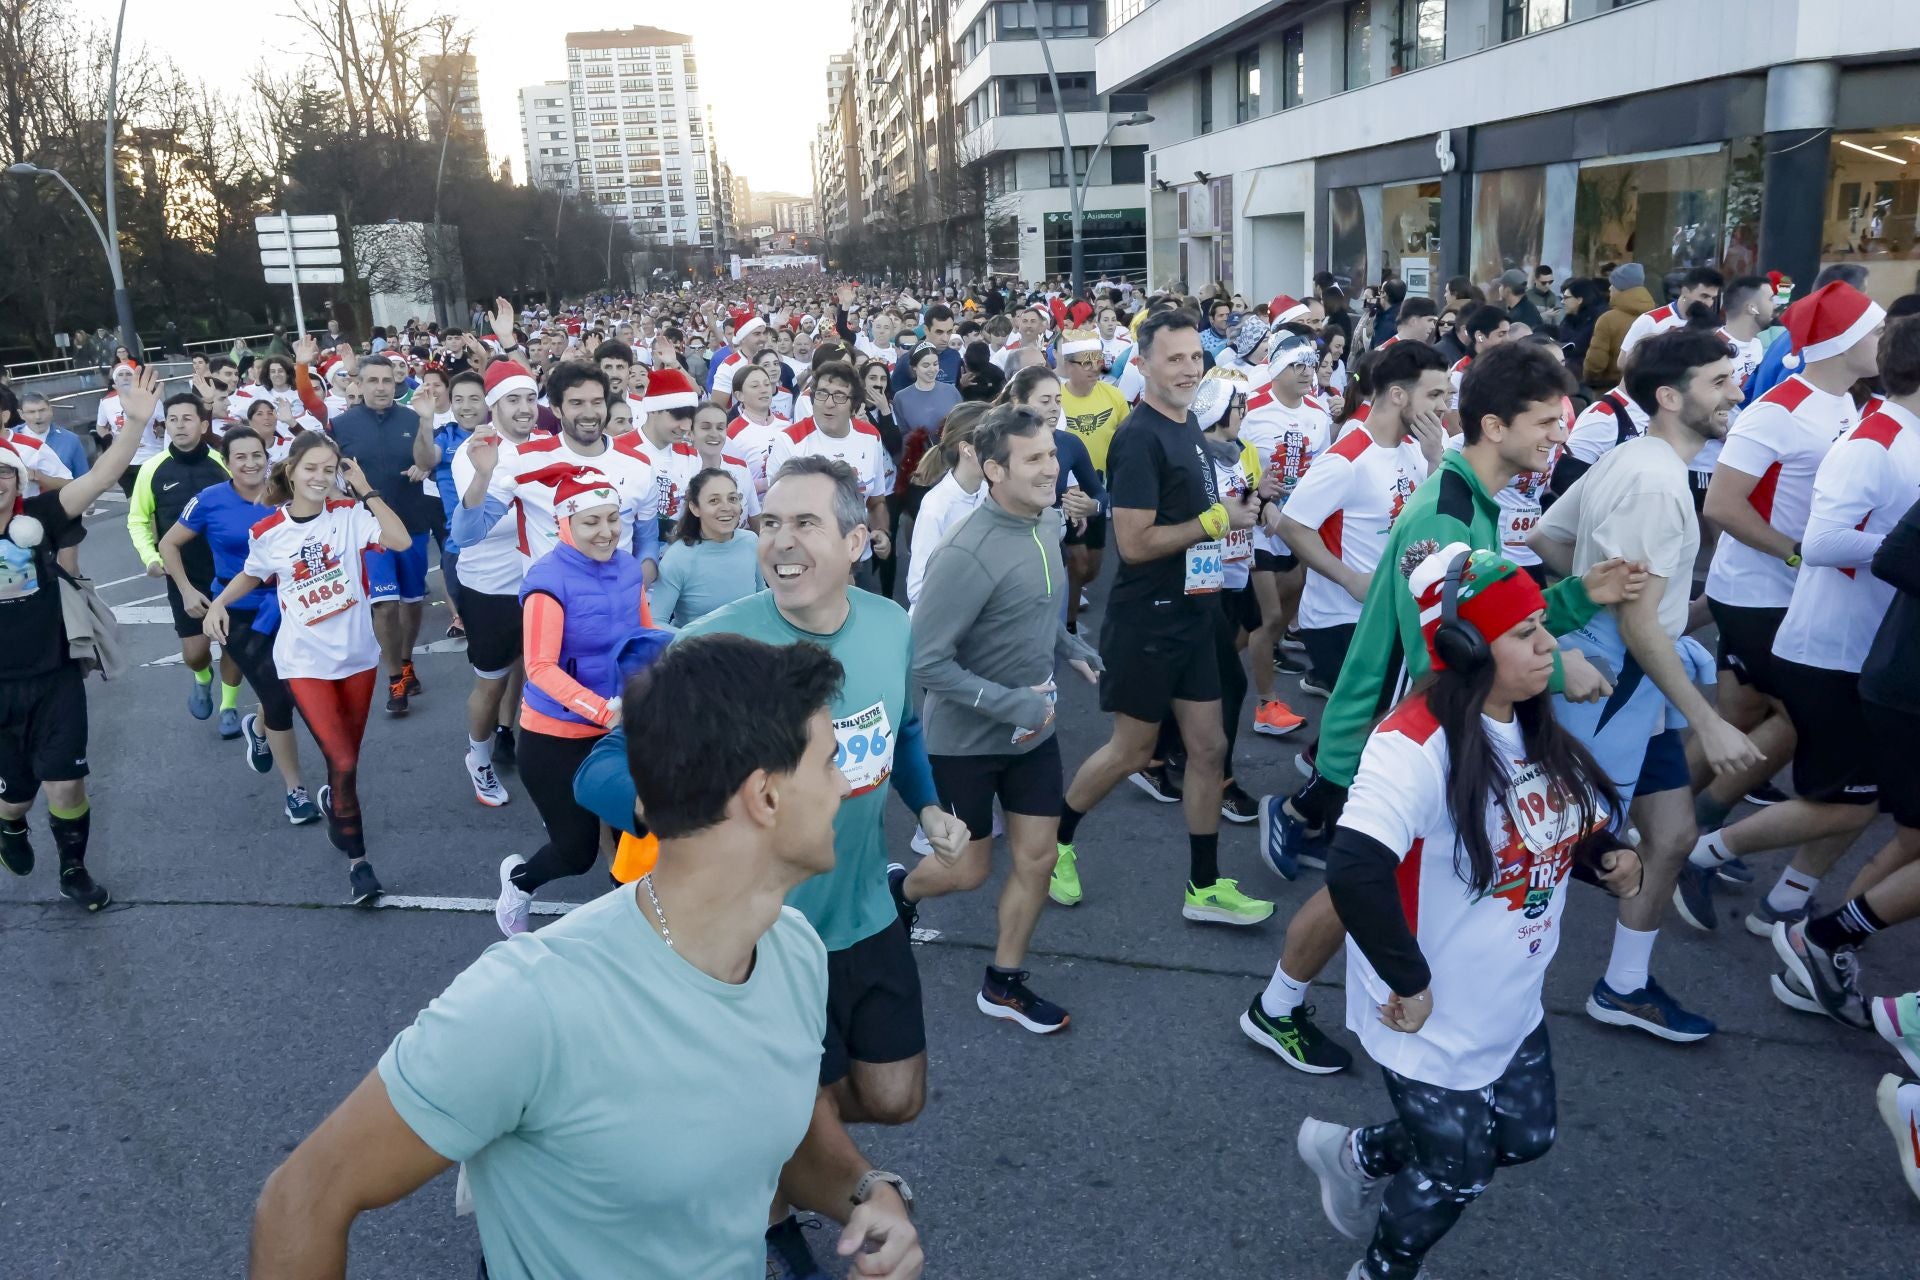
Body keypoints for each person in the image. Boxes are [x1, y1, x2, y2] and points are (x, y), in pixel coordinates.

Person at [250, 634, 924, 1280]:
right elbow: (302, 1199)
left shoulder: (793, 950)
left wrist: (865, 1192)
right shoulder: (533, 1005)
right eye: (831, 761)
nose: (847, 786)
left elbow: (769, 1132)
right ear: (766, 797)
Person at [1248, 343, 1633, 1075]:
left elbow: (1492, 622)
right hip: (1388, 733)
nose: (1561, 433)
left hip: (1413, 725)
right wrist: (1560, 671)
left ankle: (1298, 1000)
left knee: (1380, 881)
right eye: (1547, 420)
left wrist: (1584, 594)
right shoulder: (1446, 517)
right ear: (1494, 425)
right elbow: (1452, 658)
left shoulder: (1469, 502)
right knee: (1359, 883)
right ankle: (1281, 1006)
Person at [1301, 545, 1640, 1280]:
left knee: (1525, 1136)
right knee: (1457, 1172)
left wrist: (1602, 855)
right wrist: (1411, 981)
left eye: (1543, 624)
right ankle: (1383, 1269)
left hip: (1508, 996)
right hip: (1426, 1008)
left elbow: (1545, 823)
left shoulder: (1526, 716)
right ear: (1463, 647)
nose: (1550, 643)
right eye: (1525, 632)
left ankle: (1358, 1153)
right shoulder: (1413, 744)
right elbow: (1355, 867)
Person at [1529, 328, 1761, 1042]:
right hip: (1621, 685)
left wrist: (1594, 599)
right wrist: (1711, 721)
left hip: (1635, 685)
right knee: (1541, 843)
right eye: (1719, 381)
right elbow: (1638, 627)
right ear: (1670, 396)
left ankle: (1624, 988)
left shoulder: (1632, 454)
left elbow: (1547, 538)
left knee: (1672, 833)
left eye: (1733, 377)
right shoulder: (1658, 483)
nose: (1736, 392)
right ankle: (1453, 983)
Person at [1052, 309, 1273, 925]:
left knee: (1209, 746)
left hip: (1195, 612)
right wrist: (1214, 522)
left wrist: (1234, 508)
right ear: (1142, 365)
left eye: (1194, 358)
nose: (1187, 369)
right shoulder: (1139, 436)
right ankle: (1055, 844)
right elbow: (1135, 542)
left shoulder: (1190, 428)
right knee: (1131, 750)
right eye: (1173, 359)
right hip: (1148, 618)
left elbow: (1196, 516)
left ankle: (1204, 887)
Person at [890, 405, 1102, 1033]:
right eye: (1034, 458)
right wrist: (1011, 703)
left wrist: (1071, 648)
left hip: (1034, 732)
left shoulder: (1044, 525)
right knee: (968, 869)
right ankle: (900, 893)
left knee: (1037, 857)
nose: (1052, 467)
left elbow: (1033, 608)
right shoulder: (966, 551)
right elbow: (926, 661)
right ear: (993, 470)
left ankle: (1003, 983)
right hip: (964, 742)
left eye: (1051, 454)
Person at [1685, 283, 1887, 929]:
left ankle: (1670, 824)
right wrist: (1799, 554)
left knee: (1744, 721)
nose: (1885, 343)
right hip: (1759, 595)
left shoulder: (1848, 404)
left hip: (1789, 594)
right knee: (1785, 722)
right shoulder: (1779, 409)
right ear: (1843, 341)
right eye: (1876, 331)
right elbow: (1721, 504)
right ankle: (1686, 833)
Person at [205, 431, 414, 904]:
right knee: (339, 759)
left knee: (349, 764)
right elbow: (252, 573)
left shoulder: (350, 516)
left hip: (358, 658)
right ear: (291, 470)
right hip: (303, 662)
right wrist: (218, 601)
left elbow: (398, 540)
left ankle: (336, 805)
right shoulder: (268, 533)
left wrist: (365, 489)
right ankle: (360, 865)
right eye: (312, 468)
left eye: (330, 469)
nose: (321, 478)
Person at [0, 367, 155, 910]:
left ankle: (74, 869)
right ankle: (11, 827)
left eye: (4, 473)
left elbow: (100, 478)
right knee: (16, 798)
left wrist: (134, 426)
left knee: (65, 785)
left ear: (18, 481)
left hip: (53, 673)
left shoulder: (39, 517)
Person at [494, 469, 655, 935]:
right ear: (565, 524)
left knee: (636, 834)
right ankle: (519, 882)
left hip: (620, 730)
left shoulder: (627, 568)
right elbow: (541, 667)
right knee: (575, 851)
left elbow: (644, 635)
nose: (606, 532)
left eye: (612, 518)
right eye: (591, 522)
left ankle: (634, 929)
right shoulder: (547, 581)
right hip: (556, 738)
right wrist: (603, 709)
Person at [158, 428, 319, 825]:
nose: (250, 463)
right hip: (238, 613)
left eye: (257, 455)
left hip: (292, 606)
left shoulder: (286, 493)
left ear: (268, 457)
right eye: (240, 457)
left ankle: (258, 727)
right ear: (227, 463)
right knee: (279, 697)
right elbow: (168, 544)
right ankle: (295, 792)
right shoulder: (209, 500)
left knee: (294, 688)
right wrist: (186, 590)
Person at [1279, 341, 1448, 698]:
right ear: (1399, 395)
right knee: (1368, 729)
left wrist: (1435, 462)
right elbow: (1291, 525)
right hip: (1342, 621)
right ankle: (1317, 756)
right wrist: (1351, 579)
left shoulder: (1418, 447)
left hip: (1392, 612)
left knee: (1384, 726)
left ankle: (1320, 753)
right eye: (1434, 394)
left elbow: (1425, 519)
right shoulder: (1347, 457)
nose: (1444, 406)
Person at [326, 355, 441, 715]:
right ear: (357, 384)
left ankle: (405, 660)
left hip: (412, 523)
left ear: (396, 384)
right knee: (385, 605)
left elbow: (427, 462)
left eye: (386, 381)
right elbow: (329, 475)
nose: (380, 387)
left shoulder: (413, 418)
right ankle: (394, 677)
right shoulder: (340, 425)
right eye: (372, 380)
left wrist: (425, 428)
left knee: (411, 601)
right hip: (367, 530)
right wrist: (341, 495)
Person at [129, 391, 245, 734]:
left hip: (228, 572)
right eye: (173, 419)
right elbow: (137, 520)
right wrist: (151, 558)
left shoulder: (222, 463)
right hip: (183, 575)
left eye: (188, 418)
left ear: (203, 424)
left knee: (231, 643)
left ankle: (228, 707)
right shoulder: (151, 469)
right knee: (195, 652)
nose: (180, 425)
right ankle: (201, 676)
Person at [1239, 333, 1327, 740]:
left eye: (1312, 364)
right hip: (1256, 527)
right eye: (1299, 365)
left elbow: (1322, 472)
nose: (1308, 372)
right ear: (1276, 368)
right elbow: (1226, 463)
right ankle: (1266, 703)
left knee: (1278, 618)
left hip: (1298, 527)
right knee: (1271, 616)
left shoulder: (1318, 412)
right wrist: (1256, 501)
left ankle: (1223, 659)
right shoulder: (1252, 410)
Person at [767, 362, 893, 593]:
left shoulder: (870, 437)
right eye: (822, 394)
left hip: (858, 559)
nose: (829, 403)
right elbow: (780, 515)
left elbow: (876, 501)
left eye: (839, 396)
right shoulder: (789, 442)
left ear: (854, 405)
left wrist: (882, 531)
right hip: (808, 564)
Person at [653, 468, 763, 627]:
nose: (726, 507)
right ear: (695, 508)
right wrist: (699, 643)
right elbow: (656, 622)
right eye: (714, 501)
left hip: (751, 647)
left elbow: (762, 597)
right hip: (696, 650)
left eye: (732, 498)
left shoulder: (751, 541)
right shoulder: (677, 557)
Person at [904, 404, 987, 610]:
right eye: (993, 442)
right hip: (938, 627)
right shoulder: (936, 506)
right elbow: (916, 589)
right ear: (967, 449)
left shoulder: (989, 491)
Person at [1583, 263, 1656, 391]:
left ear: (1621, 288)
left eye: (1613, 284)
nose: (1610, 288)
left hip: (1610, 389)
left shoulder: (1608, 319)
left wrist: (1590, 378)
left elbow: (1596, 362)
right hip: (1645, 389)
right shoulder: (1655, 316)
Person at [892, 343, 963, 441]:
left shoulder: (951, 391)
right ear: (914, 367)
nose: (932, 369)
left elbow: (963, 425)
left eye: (935, 364)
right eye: (926, 365)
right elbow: (903, 436)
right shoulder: (901, 398)